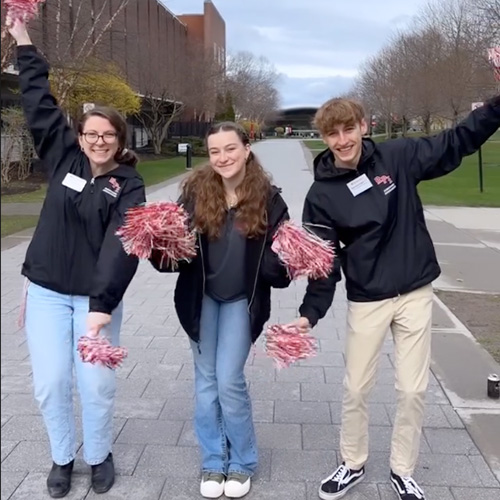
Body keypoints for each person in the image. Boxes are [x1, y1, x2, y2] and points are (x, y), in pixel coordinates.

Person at [293, 96, 500, 500]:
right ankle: (352, 462)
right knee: (356, 388)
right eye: (332, 134)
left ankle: (402, 470)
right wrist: (309, 314)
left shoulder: (398, 157)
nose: (342, 139)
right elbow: (323, 263)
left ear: (363, 126)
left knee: (412, 390)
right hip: (368, 299)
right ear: (325, 139)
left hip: (414, 293)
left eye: (348, 129)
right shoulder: (320, 196)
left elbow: (457, 141)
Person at [8, 20, 146, 498]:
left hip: (94, 303)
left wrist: (102, 304)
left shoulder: (128, 185)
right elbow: (38, 103)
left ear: (119, 139)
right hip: (45, 291)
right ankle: (62, 458)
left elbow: (123, 244)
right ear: (81, 136)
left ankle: (98, 454)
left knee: (96, 386)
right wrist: (24, 41)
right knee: (50, 384)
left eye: (109, 134)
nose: (99, 141)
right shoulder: (63, 159)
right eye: (92, 133)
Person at [150, 122, 291, 499]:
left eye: (230, 149)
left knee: (229, 380)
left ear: (247, 149)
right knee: (206, 383)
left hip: (242, 302)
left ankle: (242, 462)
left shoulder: (270, 200)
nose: (223, 157)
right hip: (202, 300)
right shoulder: (195, 195)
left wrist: (288, 260)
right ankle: (214, 461)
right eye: (215, 151)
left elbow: (280, 273)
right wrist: (156, 243)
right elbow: (171, 261)